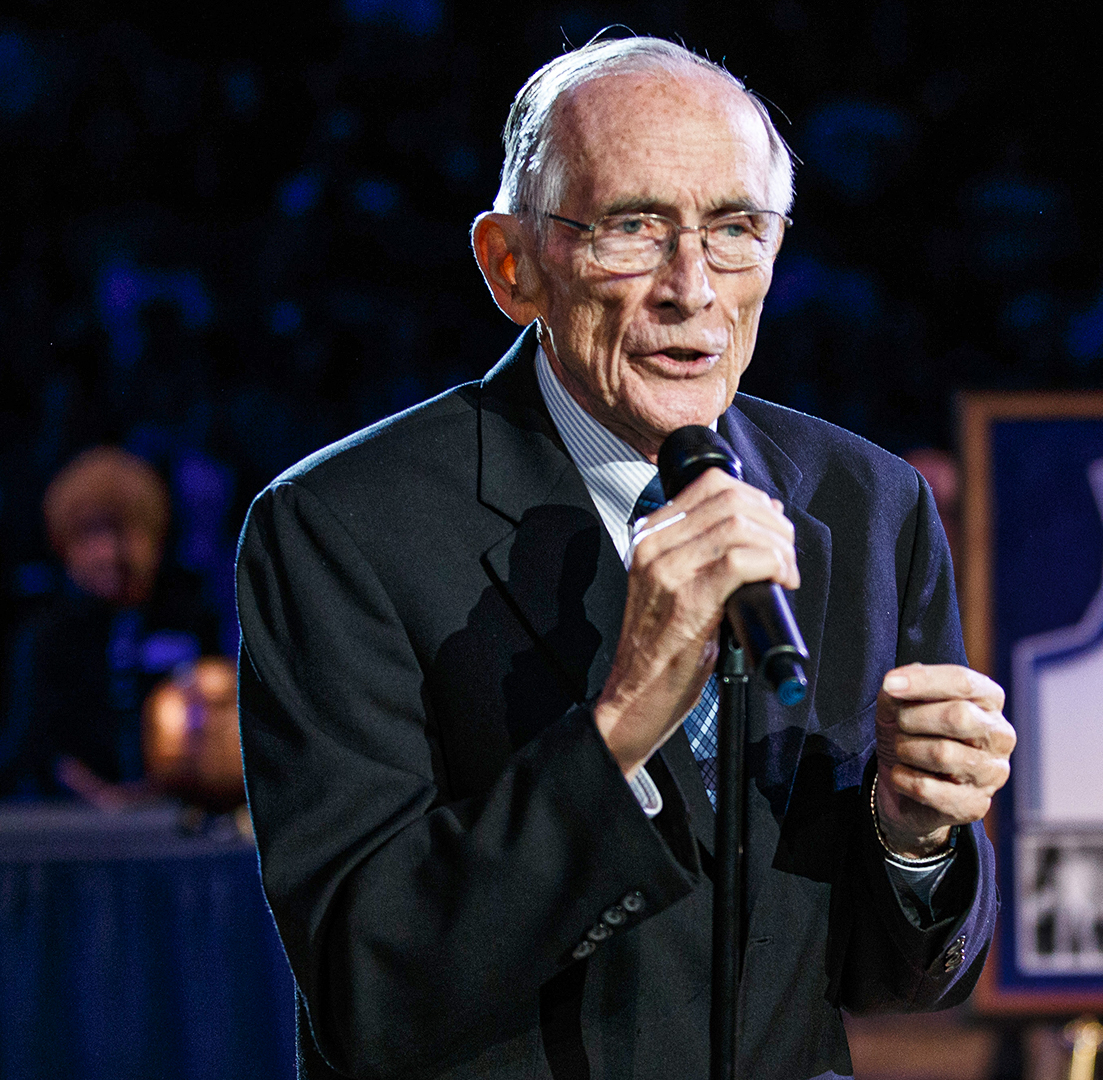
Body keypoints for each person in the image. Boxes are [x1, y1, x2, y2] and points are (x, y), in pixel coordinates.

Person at [236, 37, 1013, 1080]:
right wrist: (622, 722)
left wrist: (912, 837)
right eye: (632, 228)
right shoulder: (336, 529)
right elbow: (367, 991)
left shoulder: (870, 505)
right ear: (512, 266)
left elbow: (895, 976)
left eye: (735, 229)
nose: (691, 288)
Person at [0, 446, 220, 806]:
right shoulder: (47, 634)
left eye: (123, 530)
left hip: (179, 812)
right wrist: (103, 797)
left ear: (155, 534)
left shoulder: (192, 619)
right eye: (90, 535)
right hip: (72, 820)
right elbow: (34, 746)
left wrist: (153, 794)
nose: (109, 552)